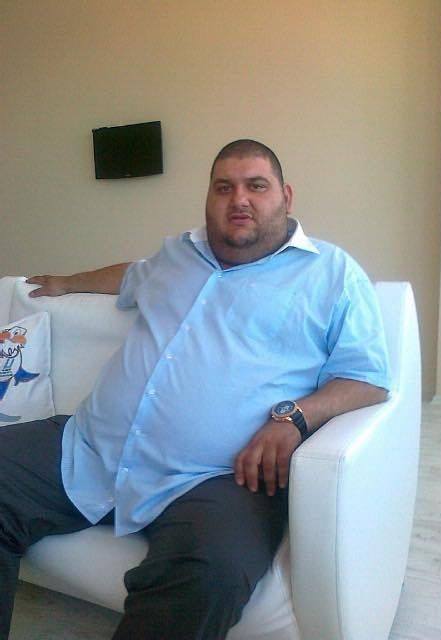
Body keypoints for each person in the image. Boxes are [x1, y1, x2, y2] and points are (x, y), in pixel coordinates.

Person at [0, 139, 391, 640]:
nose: (239, 199)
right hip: (90, 445)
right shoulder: (176, 255)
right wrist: (66, 282)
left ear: (286, 196)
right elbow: (130, 276)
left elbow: (367, 378)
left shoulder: (332, 274)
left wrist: (295, 417)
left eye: (256, 186)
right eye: (223, 187)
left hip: (218, 478)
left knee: (211, 575)